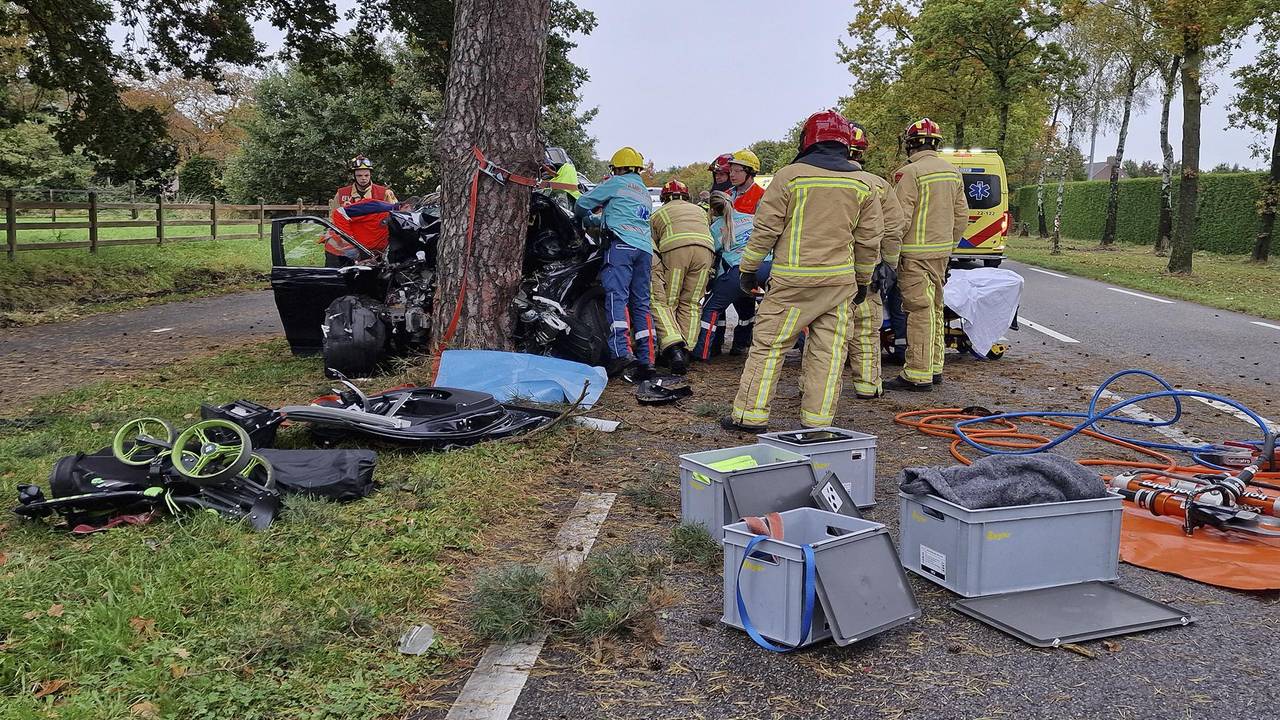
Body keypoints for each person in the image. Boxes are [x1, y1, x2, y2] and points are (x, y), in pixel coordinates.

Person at [724, 110, 882, 432]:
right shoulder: (865, 184)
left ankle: (749, 416)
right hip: (838, 285)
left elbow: (765, 230)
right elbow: (868, 242)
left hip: (791, 284)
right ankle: (818, 422)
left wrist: (748, 269)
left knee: (769, 347)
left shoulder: (789, 177)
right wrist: (863, 281)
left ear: (807, 140)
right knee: (829, 353)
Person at [884, 118, 968, 392]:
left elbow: (900, 219)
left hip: (913, 255)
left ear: (909, 145)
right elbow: (961, 215)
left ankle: (917, 374)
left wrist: (889, 256)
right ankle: (934, 366)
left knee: (919, 311)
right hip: (940, 254)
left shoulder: (909, 173)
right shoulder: (952, 172)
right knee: (934, 309)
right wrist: (949, 246)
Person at [574, 146, 656, 381]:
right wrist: (596, 220)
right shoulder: (643, 191)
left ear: (617, 168)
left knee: (616, 298)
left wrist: (581, 217)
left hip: (621, 247)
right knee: (641, 303)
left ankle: (621, 353)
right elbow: (621, 214)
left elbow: (582, 204)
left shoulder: (616, 182)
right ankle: (647, 359)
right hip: (644, 249)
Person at [845, 123, 904, 399]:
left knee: (825, 334)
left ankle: (811, 388)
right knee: (867, 330)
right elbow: (893, 229)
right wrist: (889, 264)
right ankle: (868, 386)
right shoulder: (879, 185)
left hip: (829, 271)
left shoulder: (816, 180)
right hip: (869, 269)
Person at [649, 180, 714, 374]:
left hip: (676, 251)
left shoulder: (658, 213)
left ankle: (673, 349)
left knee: (670, 301)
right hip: (705, 253)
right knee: (692, 302)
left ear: (664, 198)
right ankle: (687, 350)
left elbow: (653, 244)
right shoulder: (700, 211)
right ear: (686, 197)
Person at [692, 191, 765, 360]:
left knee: (711, 309)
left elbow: (711, 254)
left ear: (711, 210)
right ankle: (741, 345)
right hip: (765, 267)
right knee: (747, 304)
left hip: (737, 271)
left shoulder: (715, 228)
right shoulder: (751, 218)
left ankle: (702, 353)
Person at [727, 149, 765, 213]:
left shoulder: (762, 196)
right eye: (730, 171)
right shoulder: (726, 194)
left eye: (737, 171)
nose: (731, 174)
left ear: (750, 172)